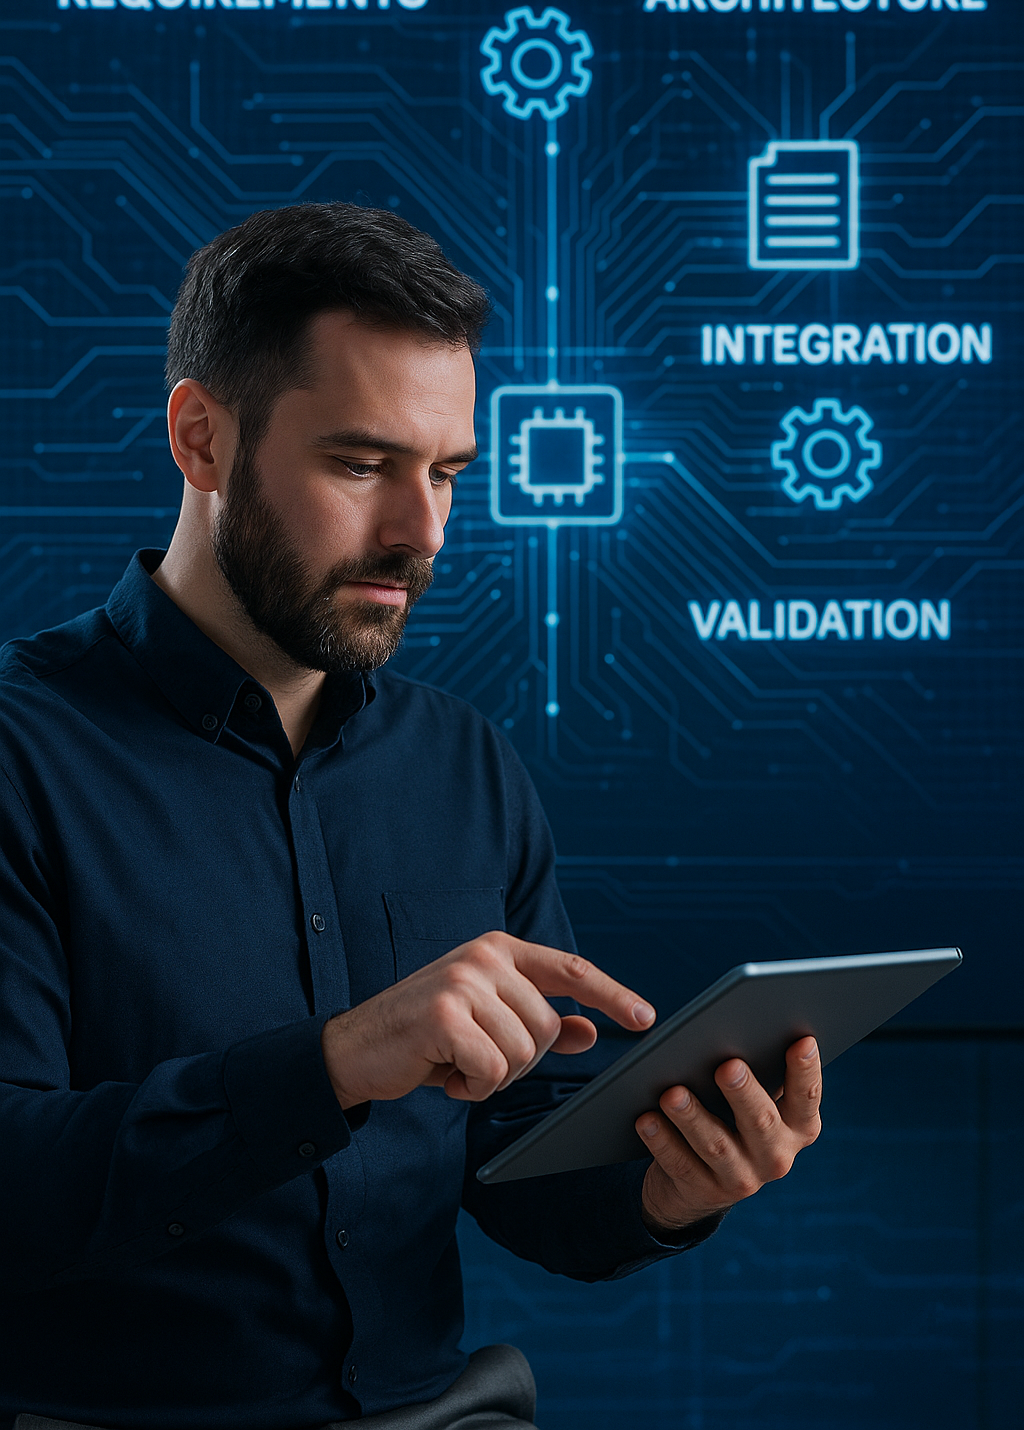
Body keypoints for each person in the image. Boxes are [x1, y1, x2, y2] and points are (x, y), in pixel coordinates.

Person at [0, 203, 822, 1430]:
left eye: (443, 474)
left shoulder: (465, 767)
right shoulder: (21, 752)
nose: (420, 534)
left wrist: (666, 1189)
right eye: (361, 464)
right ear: (202, 439)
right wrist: (332, 1065)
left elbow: (518, 1169)